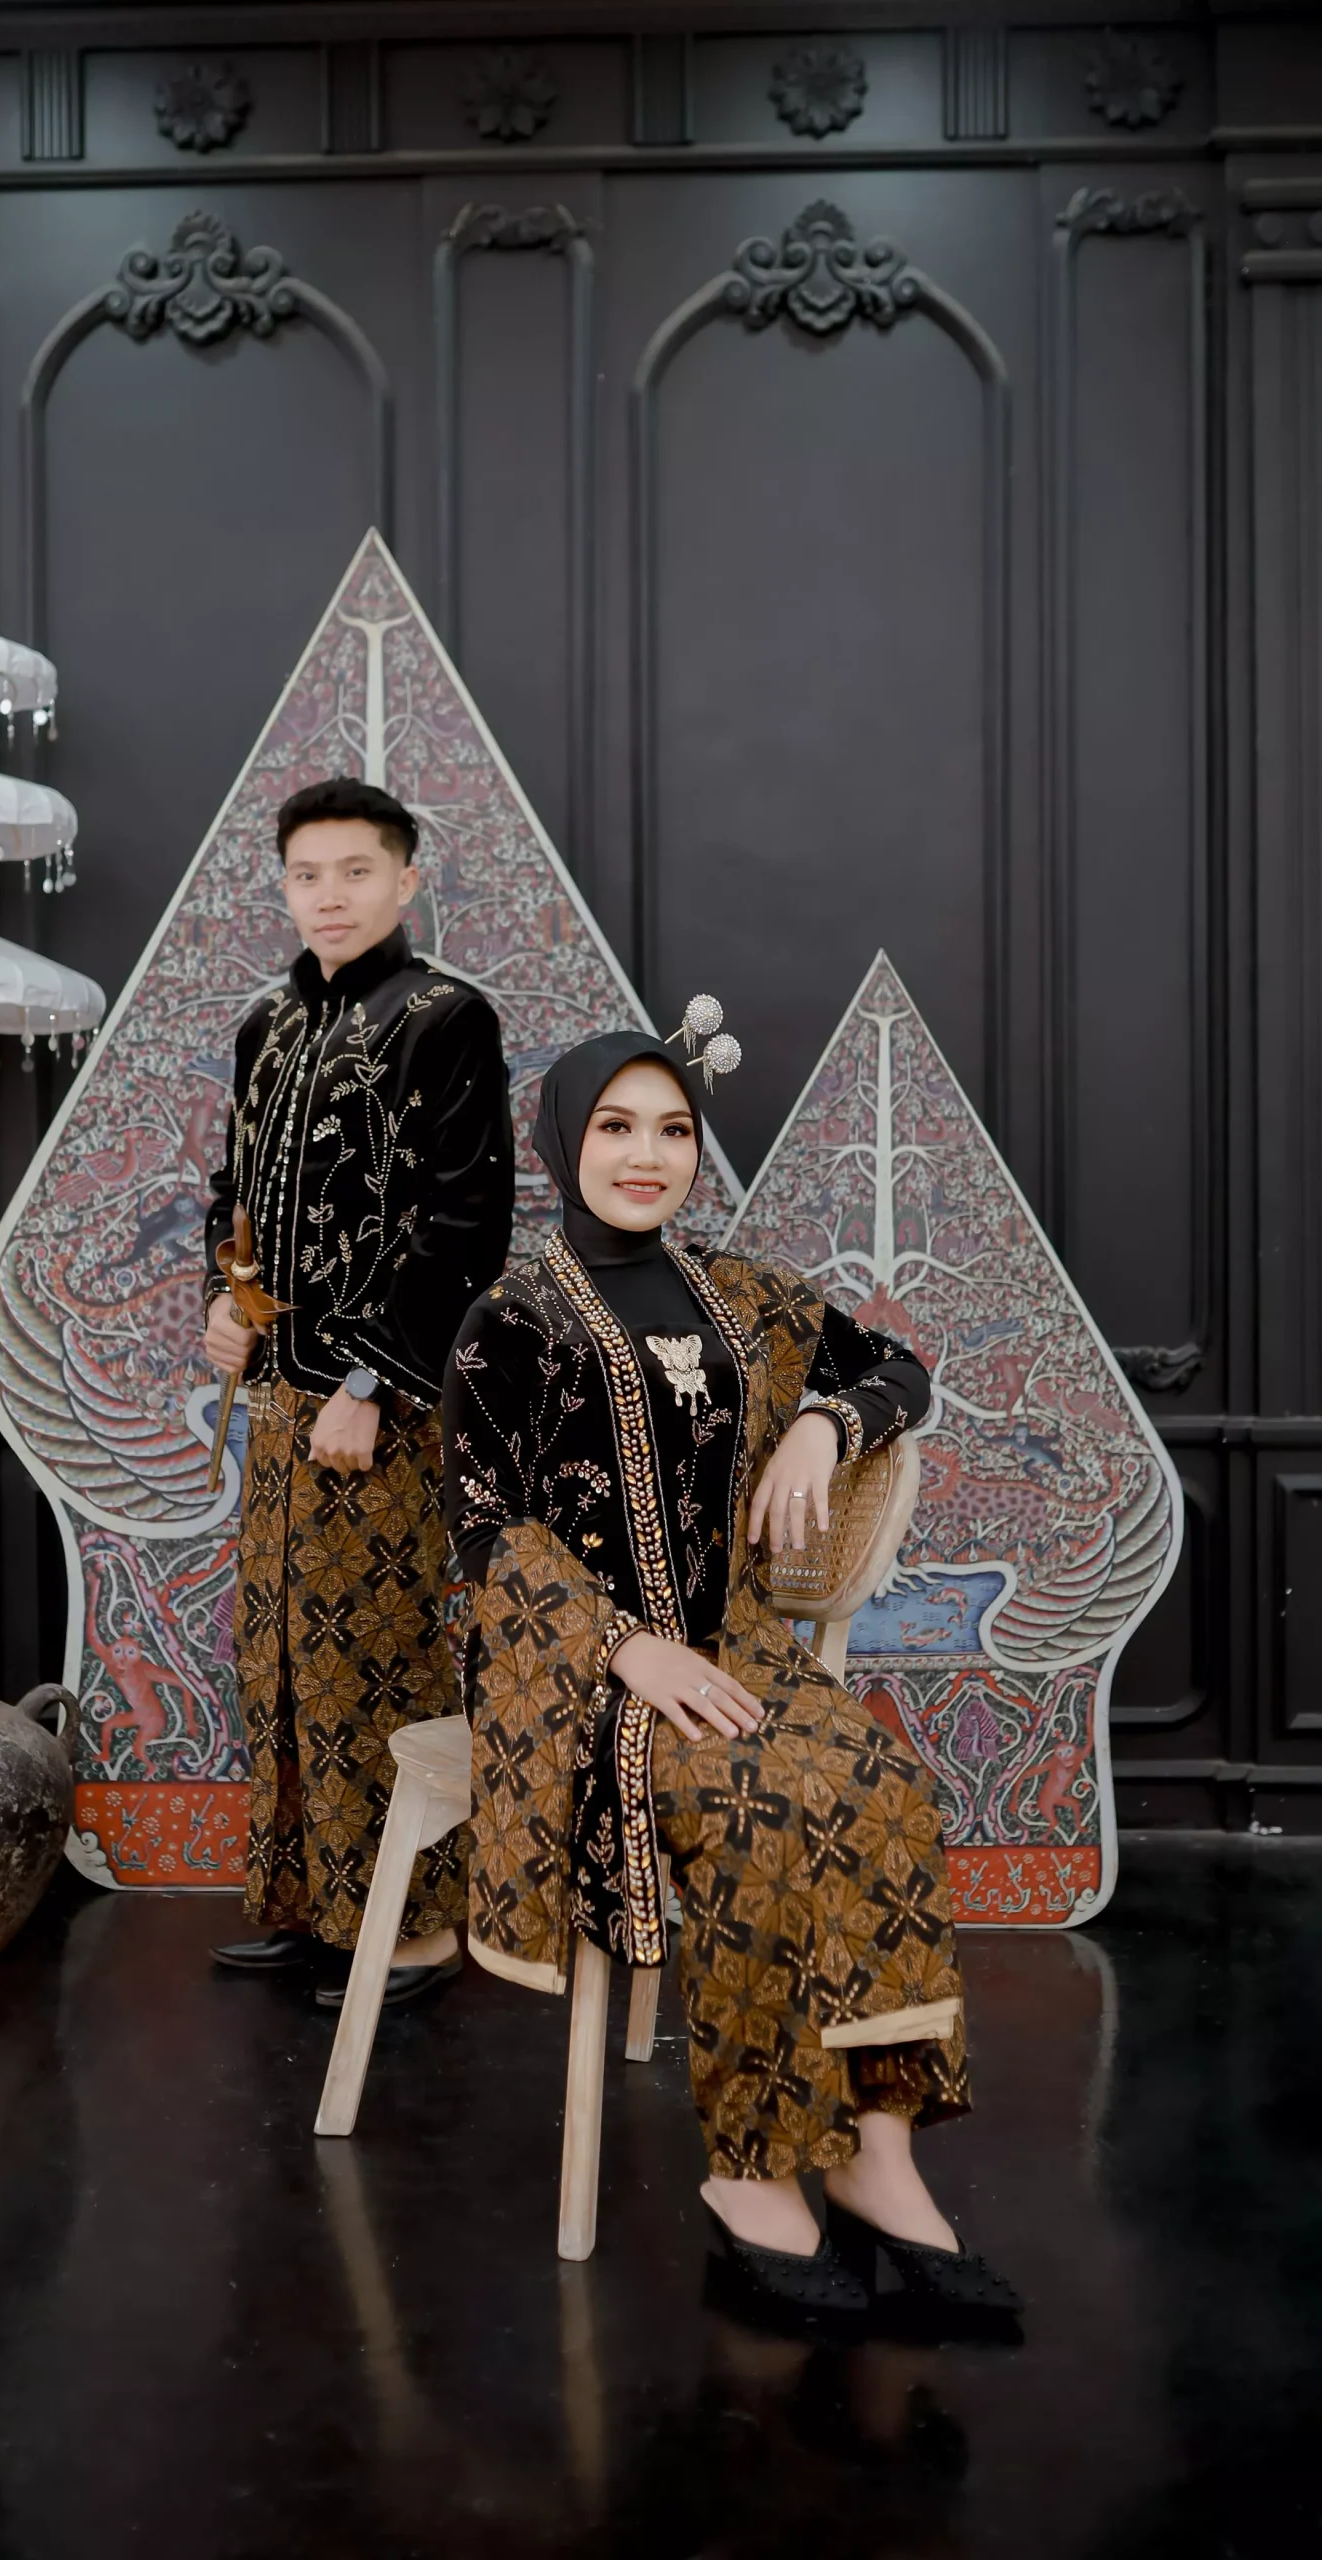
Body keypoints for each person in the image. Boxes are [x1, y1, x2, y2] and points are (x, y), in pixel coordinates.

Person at [443, 1026, 1021, 2315]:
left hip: (739, 1650)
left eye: (671, 1130)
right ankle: (752, 2169)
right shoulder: (512, 1319)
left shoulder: (742, 1294)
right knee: (757, 1808)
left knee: (880, 1790)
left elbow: (899, 1369)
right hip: (578, 1670)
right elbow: (484, 1529)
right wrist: (624, 1646)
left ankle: (875, 2157)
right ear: (564, 1141)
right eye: (614, 1127)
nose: (644, 1155)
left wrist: (823, 1419)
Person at [204, 777, 515, 2009]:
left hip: (373, 1410)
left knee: (374, 1660)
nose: (327, 896)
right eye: (305, 874)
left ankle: (415, 1927)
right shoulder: (267, 1025)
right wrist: (224, 1301)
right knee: (280, 1657)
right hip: (279, 1406)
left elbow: (464, 1227)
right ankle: (315, 1908)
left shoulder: (443, 1017)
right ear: (284, 887)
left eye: (354, 871)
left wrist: (371, 1381)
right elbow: (232, 1192)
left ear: (404, 879)